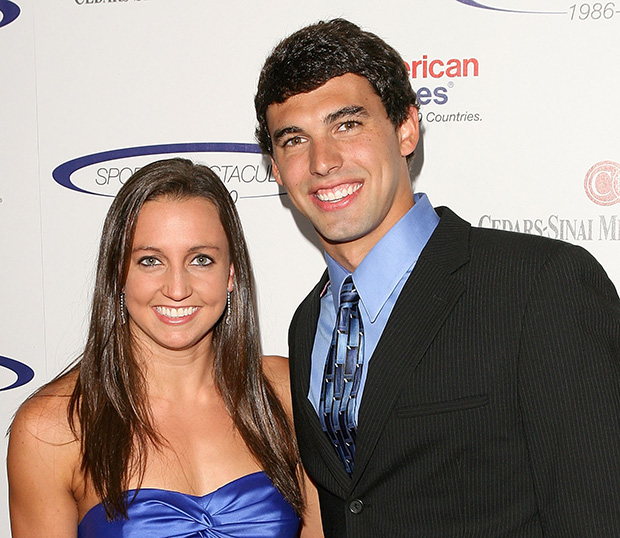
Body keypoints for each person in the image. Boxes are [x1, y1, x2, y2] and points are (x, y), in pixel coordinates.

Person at [254, 18, 620, 537]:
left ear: (406, 127)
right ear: (274, 166)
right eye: (294, 140)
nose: (323, 161)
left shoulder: (539, 286)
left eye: (347, 124)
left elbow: (599, 516)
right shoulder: (308, 323)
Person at [8, 158, 322, 537]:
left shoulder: (284, 393)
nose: (177, 288)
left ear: (231, 274)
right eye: (151, 261)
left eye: (201, 260)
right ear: (119, 273)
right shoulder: (53, 428)